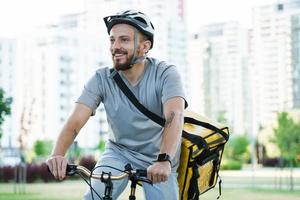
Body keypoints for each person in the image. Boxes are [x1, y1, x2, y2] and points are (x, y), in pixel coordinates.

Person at [46, 10, 187, 200]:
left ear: (145, 46)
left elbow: (174, 117)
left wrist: (164, 160)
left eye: (124, 40)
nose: (115, 47)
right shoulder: (101, 79)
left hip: (159, 155)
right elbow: (75, 122)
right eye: (112, 40)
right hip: (118, 153)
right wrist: (57, 154)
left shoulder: (166, 74)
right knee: (94, 198)